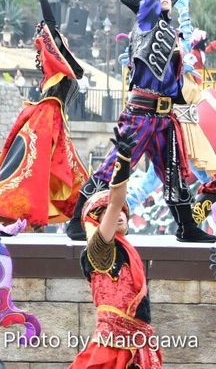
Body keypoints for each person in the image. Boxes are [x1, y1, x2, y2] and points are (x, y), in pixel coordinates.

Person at [68, 0, 214, 243]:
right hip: (141, 112)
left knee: (174, 172)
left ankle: (187, 226)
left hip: (165, 116)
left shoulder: (171, 33)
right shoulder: (147, 21)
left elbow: (178, 82)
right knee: (116, 168)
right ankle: (77, 217)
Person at [0, 0, 90, 228]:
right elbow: (51, 28)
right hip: (46, 120)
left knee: (47, 169)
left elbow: (53, 28)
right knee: (35, 168)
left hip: (51, 121)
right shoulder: (57, 69)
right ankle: (24, 213)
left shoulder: (65, 69)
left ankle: (60, 216)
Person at [68, 125, 163, 369]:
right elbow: (116, 199)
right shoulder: (101, 248)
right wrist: (122, 159)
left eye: (123, 213)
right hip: (115, 346)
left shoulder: (123, 247)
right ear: (95, 222)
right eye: (109, 214)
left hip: (137, 340)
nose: (119, 214)